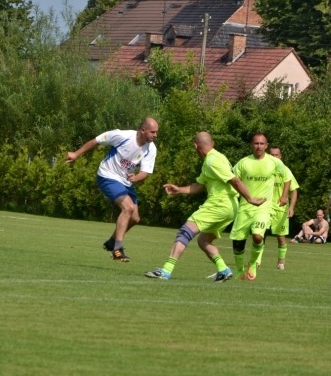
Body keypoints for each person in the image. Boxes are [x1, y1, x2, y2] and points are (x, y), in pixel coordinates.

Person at [144, 132, 264, 282]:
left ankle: (166, 271)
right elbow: (200, 185)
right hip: (229, 207)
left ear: (195, 146)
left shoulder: (212, 161)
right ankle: (223, 270)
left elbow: (235, 181)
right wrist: (179, 190)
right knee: (203, 241)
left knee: (185, 232)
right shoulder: (215, 158)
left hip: (219, 204)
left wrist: (250, 198)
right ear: (212, 143)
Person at [66, 117, 159, 262]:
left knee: (135, 218)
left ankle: (111, 242)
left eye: (156, 132)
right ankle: (117, 249)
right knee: (128, 208)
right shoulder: (122, 136)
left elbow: (145, 172)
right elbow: (97, 140)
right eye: (153, 132)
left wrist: (136, 177)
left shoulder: (151, 148)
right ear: (143, 130)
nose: (155, 135)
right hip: (107, 176)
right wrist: (76, 154)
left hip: (125, 182)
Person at [230, 132, 286, 280]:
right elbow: (233, 181)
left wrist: (284, 195)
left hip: (263, 208)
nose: (259, 146)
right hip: (244, 207)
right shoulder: (243, 163)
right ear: (251, 145)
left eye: (262, 143)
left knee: (257, 236)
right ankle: (240, 270)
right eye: (256, 143)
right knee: (238, 242)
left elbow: (287, 178)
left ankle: (253, 263)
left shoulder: (275, 163)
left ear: (266, 146)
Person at [267, 146, 299, 270]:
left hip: (280, 208)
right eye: (272, 155)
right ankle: (256, 261)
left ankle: (281, 262)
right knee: (260, 234)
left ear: (280, 156)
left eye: (277, 155)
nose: (274, 157)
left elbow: (294, 190)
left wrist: (291, 207)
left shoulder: (285, 170)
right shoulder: (264, 169)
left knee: (280, 237)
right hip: (265, 207)